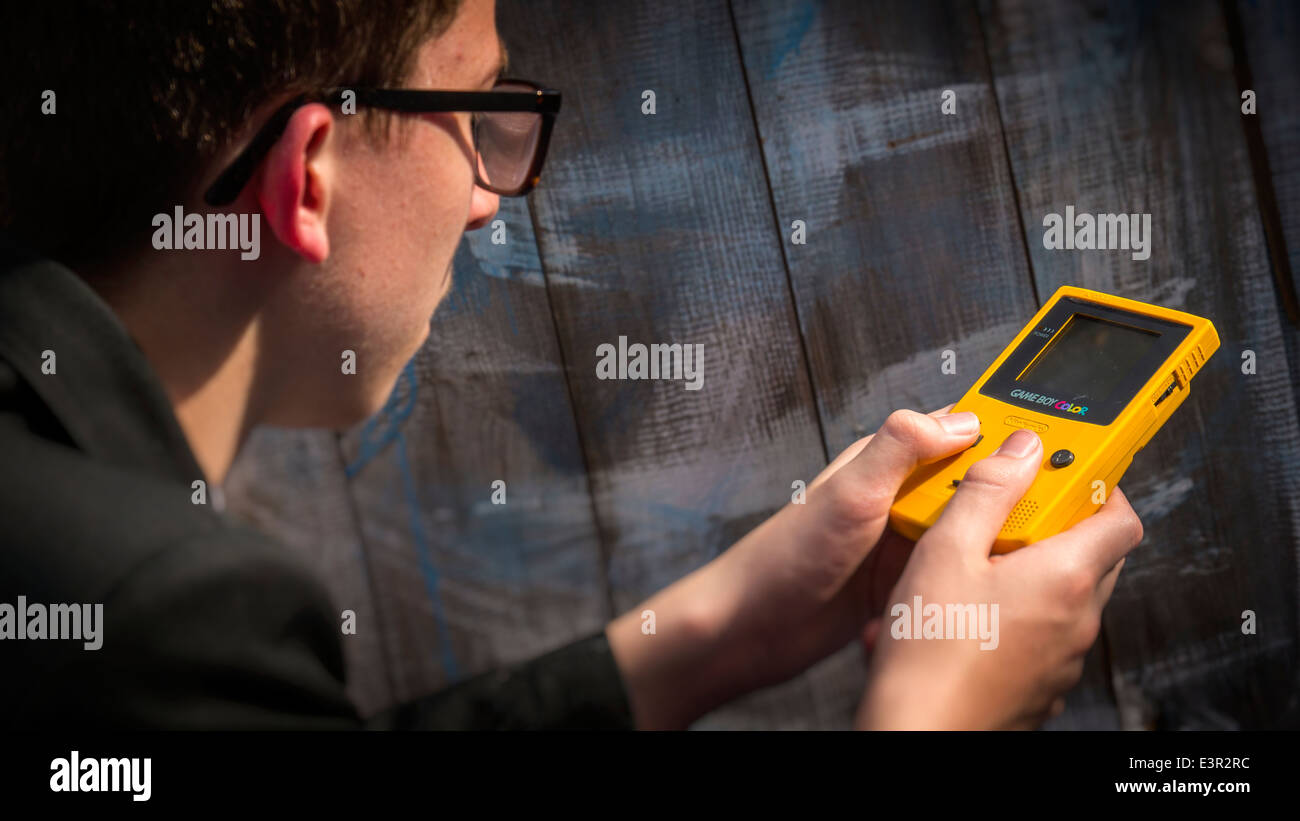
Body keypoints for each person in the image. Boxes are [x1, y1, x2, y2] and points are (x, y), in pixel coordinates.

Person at [0, 0, 1143, 730]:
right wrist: (933, 715)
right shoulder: (159, 612)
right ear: (309, 177)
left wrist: (722, 627)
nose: (491, 200)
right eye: (480, 112)